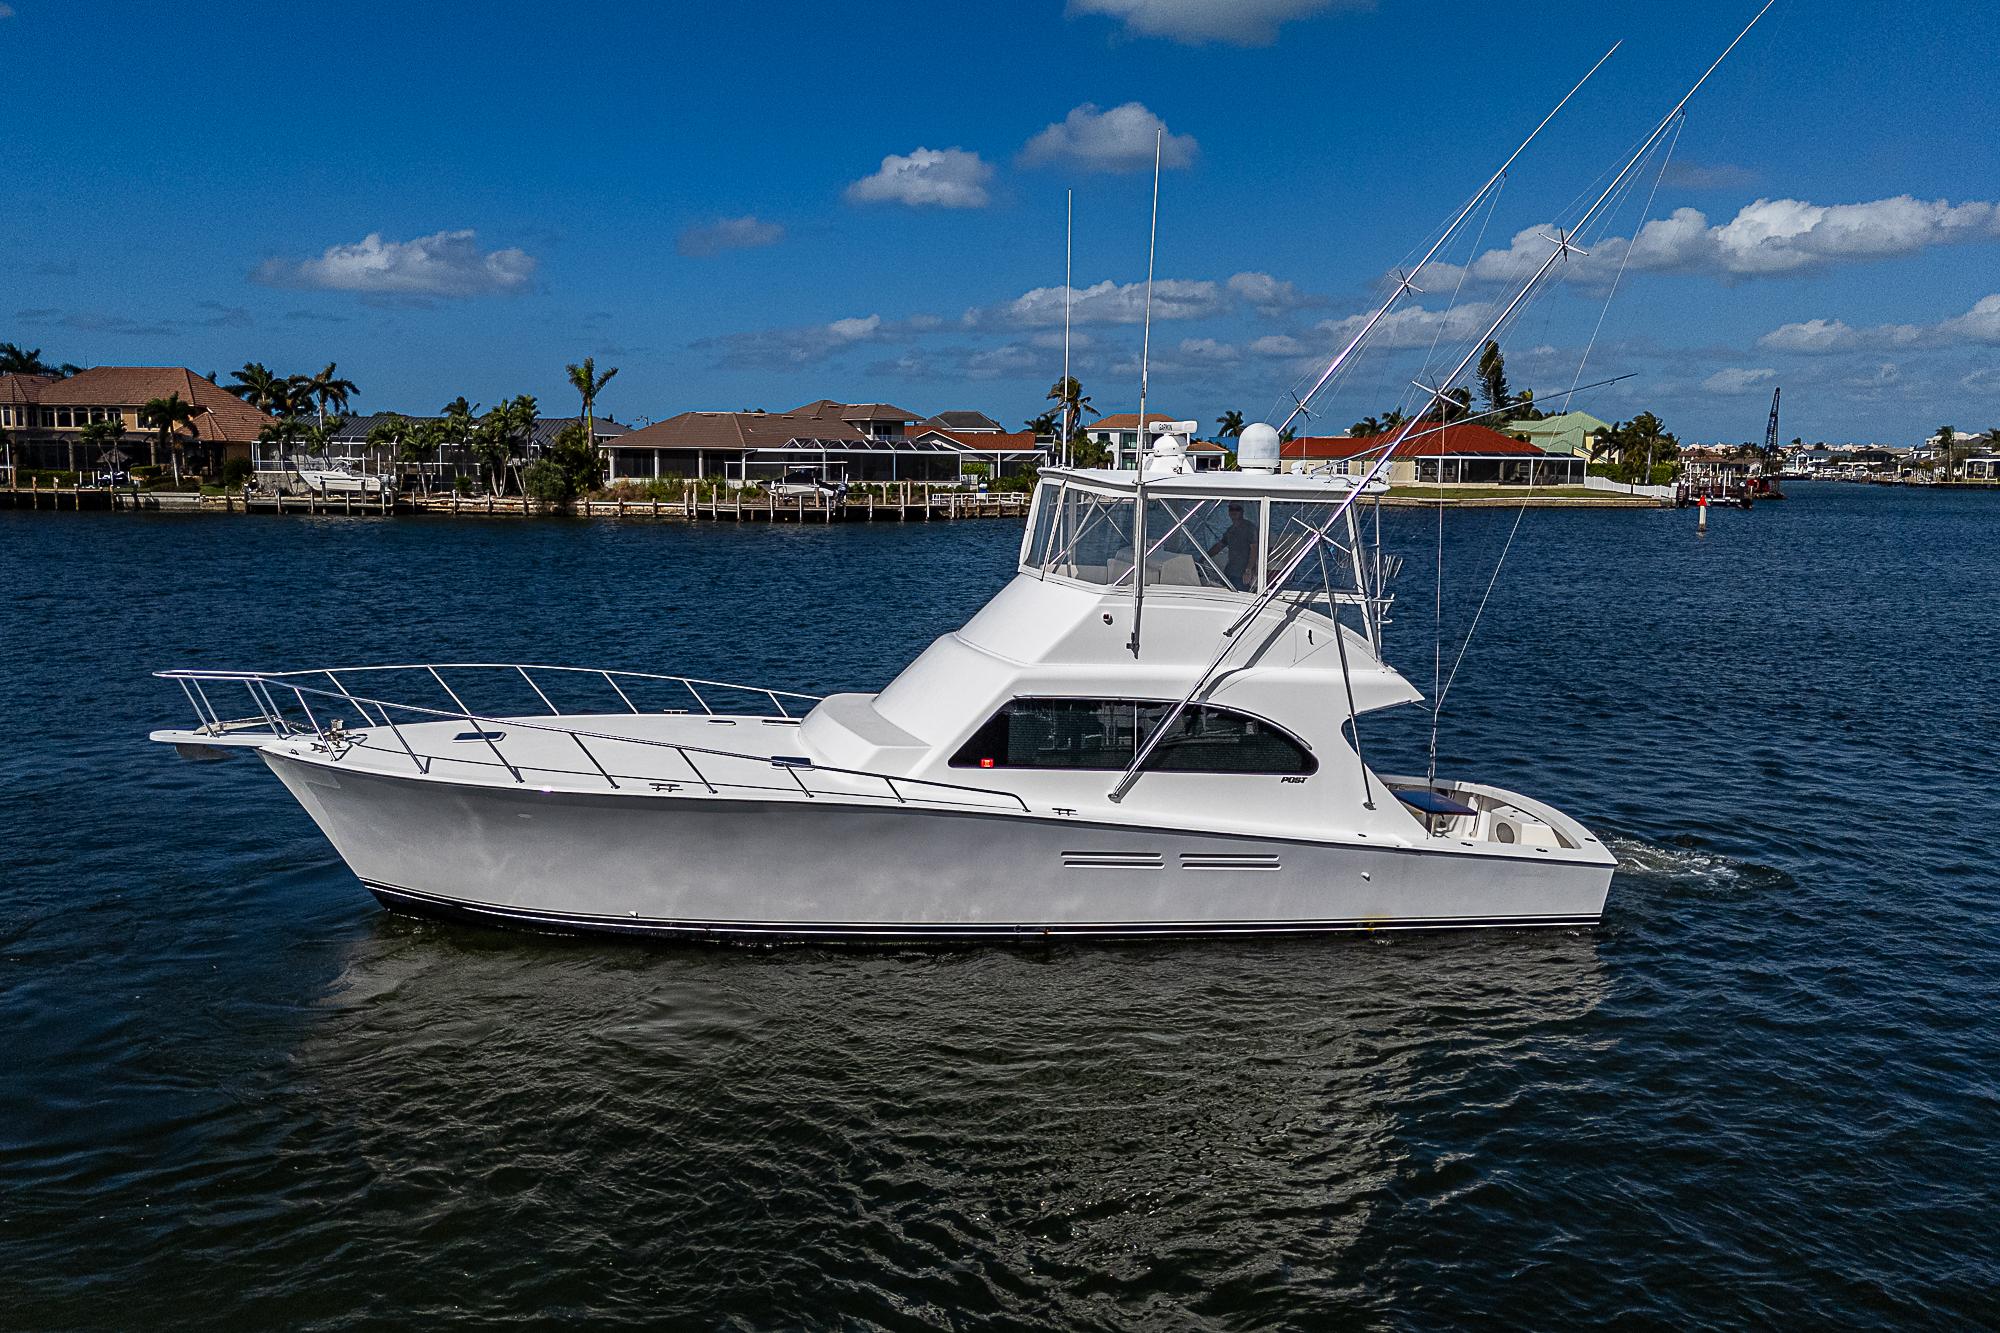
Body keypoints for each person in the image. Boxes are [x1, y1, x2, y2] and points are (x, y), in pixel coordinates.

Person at [1208, 502, 1258, 589]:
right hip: (1230, 571)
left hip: (1242, 574)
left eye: (1237, 509)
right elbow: (1220, 546)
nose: (1234, 511)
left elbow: (1254, 549)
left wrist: (1248, 570)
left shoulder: (1249, 528)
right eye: (1231, 509)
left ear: (1242, 511)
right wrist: (1205, 556)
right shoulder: (1230, 530)